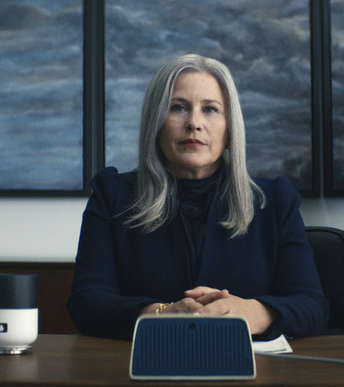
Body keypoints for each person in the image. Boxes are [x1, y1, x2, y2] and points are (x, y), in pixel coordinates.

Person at [68, 54, 329, 340]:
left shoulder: (275, 201)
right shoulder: (112, 194)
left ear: (230, 129)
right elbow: (85, 303)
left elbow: (313, 306)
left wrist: (253, 313)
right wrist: (160, 314)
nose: (194, 123)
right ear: (156, 122)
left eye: (210, 110)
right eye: (178, 108)